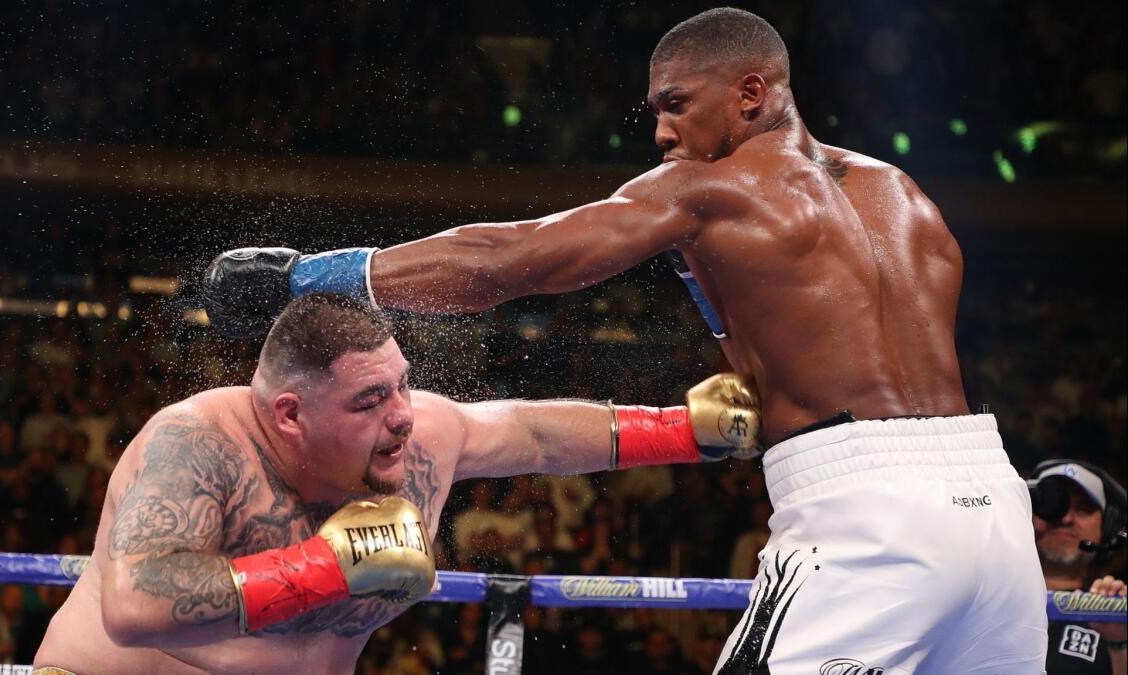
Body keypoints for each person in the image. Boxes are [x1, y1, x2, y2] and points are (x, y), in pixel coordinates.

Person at [203, 7, 1047, 672]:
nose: (662, 134)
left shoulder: (712, 188)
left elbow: (514, 259)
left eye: (676, 105)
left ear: (751, 94)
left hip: (869, 513)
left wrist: (310, 276)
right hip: (996, 508)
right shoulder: (903, 194)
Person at [33, 292, 757, 675]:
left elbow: (534, 432)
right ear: (290, 414)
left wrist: (685, 429)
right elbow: (134, 603)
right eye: (370, 400)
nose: (404, 415)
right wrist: (322, 567)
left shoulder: (421, 441)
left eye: (402, 385)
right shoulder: (197, 444)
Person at [1030, 460, 1127, 674]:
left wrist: (1119, 645)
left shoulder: (1117, 619)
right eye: (1052, 504)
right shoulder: (986, 597)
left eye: (1083, 509)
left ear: (1107, 527)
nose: (1065, 518)